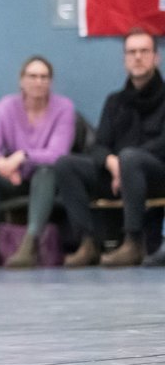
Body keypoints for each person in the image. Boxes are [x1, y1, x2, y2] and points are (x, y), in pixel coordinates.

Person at [56, 28, 165, 267]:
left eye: (144, 51)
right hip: (118, 174)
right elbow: (98, 146)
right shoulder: (115, 101)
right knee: (66, 165)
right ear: (125, 59)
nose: (138, 57)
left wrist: (127, 163)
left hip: (156, 175)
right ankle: (87, 243)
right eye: (131, 52)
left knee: (131, 158)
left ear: (156, 57)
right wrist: (112, 163)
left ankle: (133, 242)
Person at [0, 55, 75, 268]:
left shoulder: (64, 108)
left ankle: (30, 244)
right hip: (13, 178)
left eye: (44, 77)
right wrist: (0, 163)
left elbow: (58, 153)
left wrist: (23, 156)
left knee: (47, 171)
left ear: (50, 82)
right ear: (22, 80)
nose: (38, 82)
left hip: (44, 180)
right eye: (33, 76)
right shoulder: (6, 106)